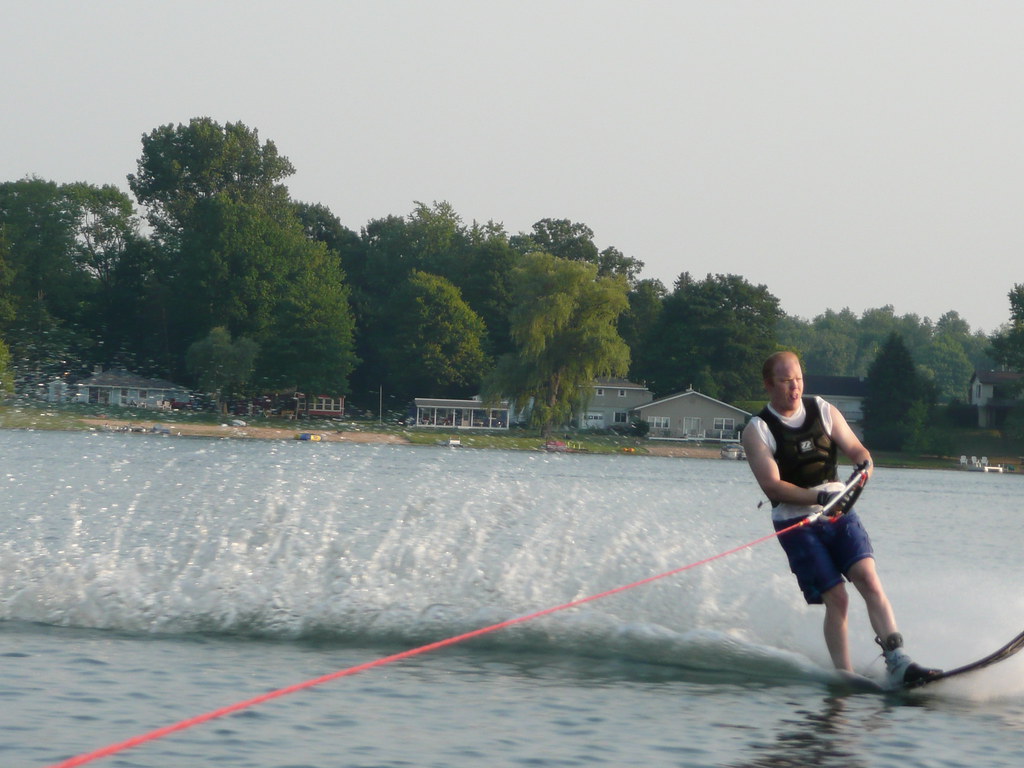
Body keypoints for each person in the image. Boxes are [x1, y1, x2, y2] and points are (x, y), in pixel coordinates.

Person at [741, 350, 939, 687]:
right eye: (786, 381)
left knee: (868, 579)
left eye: (798, 379)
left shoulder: (823, 410)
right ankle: (844, 675)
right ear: (769, 384)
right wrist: (818, 498)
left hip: (840, 512)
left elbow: (858, 451)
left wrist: (864, 467)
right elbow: (772, 486)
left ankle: (898, 660)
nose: (795, 387)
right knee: (838, 598)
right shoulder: (757, 429)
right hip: (795, 522)